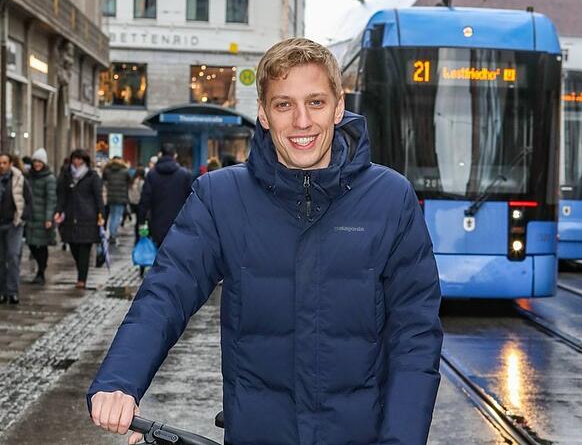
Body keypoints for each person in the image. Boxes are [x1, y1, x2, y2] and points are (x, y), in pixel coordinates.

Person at [88, 37, 443, 445]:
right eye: (284, 105)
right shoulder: (219, 197)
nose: (302, 122)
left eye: (315, 102)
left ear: (338, 107)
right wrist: (120, 380)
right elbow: (166, 294)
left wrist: (402, 439)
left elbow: (415, 334)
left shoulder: (390, 197)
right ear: (263, 113)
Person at [55, 149, 104, 289]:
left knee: (84, 249)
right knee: (74, 247)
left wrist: (101, 214)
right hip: (70, 217)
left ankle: (82, 279)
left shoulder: (92, 176)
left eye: (80, 159)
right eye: (75, 159)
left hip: (88, 217)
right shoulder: (66, 175)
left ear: (85, 161)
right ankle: (80, 273)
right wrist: (58, 211)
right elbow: (61, 196)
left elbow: (98, 197)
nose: (77, 162)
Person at [138, 143, 192, 247]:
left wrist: (141, 221)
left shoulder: (152, 174)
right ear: (175, 155)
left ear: (160, 155)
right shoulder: (184, 174)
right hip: (179, 224)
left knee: (158, 254)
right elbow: (190, 201)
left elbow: (145, 201)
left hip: (156, 224)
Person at [0, 154, 32, 305]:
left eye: (4, 163)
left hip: (14, 223)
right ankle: (2, 291)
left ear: (10, 163)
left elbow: (29, 200)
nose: (1, 165)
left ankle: (12, 292)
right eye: (0, 163)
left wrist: (23, 217)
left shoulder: (19, 179)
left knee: (13, 256)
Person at [25, 149, 57, 285]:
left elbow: (51, 199)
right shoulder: (28, 176)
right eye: (35, 161)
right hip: (30, 216)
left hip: (43, 217)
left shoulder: (49, 178)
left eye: (40, 161)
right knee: (31, 244)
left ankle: (41, 271)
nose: (37, 164)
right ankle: (40, 269)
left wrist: (49, 218)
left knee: (42, 246)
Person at [102, 156, 131, 244]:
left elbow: (103, 180)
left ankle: (111, 234)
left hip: (110, 197)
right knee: (117, 216)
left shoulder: (107, 171)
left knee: (112, 216)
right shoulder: (125, 171)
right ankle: (113, 234)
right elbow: (129, 181)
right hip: (121, 197)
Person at [128, 167, 146, 241]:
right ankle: (142, 237)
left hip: (133, 203)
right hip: (140, 203)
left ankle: (137, 237)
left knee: (137, 222)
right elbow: (143, 193)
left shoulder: (132, 181)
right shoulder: (142, 182)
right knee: (142, 222)